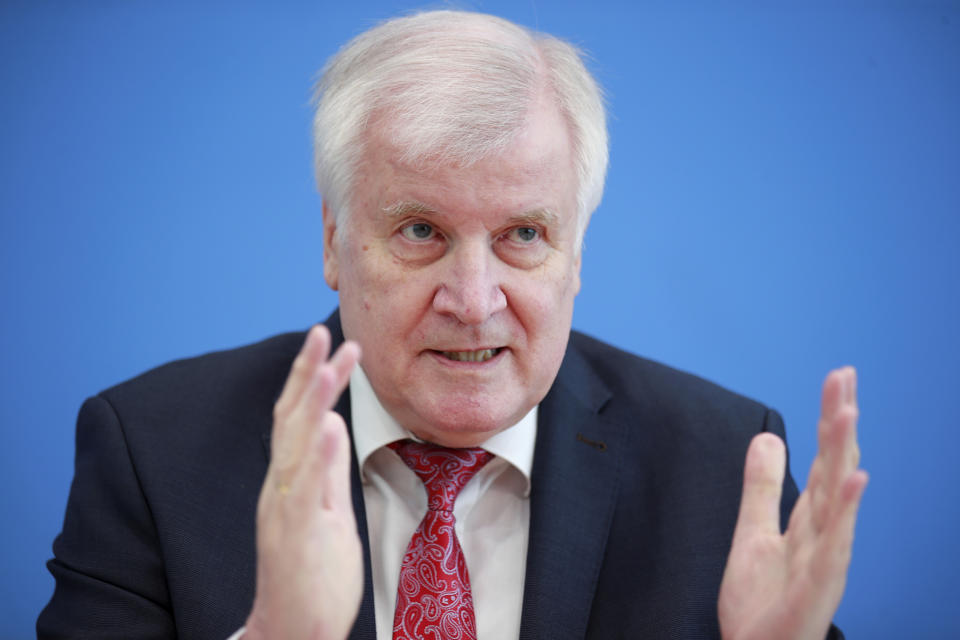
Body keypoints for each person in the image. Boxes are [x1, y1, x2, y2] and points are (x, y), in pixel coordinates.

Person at [38, 10, 867, 640]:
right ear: (333, 240)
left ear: (577, 252)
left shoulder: (723, 469)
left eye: (524, 235)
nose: (473, 299)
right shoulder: (154, 452)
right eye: (421, 231)